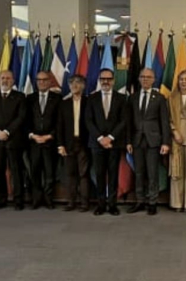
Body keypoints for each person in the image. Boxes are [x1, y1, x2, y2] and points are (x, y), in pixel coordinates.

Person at [127, 68, 171, 215]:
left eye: (148, 77)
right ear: (139, 79)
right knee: (138, 173)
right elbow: (129, 121)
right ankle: (140, 201)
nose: (145, 79)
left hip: (153, 141)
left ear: (153, 79)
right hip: (137, 141)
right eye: (143, 77)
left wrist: (166, 142)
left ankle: (152, 202)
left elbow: (164, 122)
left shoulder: (159, 98)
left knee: (152, 173)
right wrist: (128, 141)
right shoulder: (133, 97)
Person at [86, 68, 127, 216]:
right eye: (103, 79)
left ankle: (112, 205)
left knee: (113, 174)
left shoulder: (121, 98)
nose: (106, 81)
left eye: (109, 79)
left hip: (114, 143)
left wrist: (110, 137)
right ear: (99, 80)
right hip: (96, 144)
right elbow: (88, 121)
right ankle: (101, 204)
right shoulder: (91, 98)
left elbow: (123, 121)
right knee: (99, 174)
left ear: (113, 81)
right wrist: (100, 139)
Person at [0, 70, 27, 209]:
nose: (5, 80)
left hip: (14, 139)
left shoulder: (20, 97)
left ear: (13, 81)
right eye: (2, 78)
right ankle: (0, 199)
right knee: (0, 169)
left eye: (8, 78)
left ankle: (18, 199)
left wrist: (7, 132)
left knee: (16, 170)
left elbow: (21, 117)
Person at [26, 71, 62, 209]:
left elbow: (60, 122)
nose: (41, 82)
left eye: (44, 80)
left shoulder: (57, 99)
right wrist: (32, 135)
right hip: (33, 142)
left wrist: (49, 136)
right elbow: (25, 120)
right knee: (34, 171)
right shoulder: (29, 98)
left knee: (50, 172)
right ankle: (36, 198)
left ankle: (48, 198)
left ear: (49, 82)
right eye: (39, 80)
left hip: (50, 142)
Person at [58, 75, 91, 211]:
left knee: (83, 174)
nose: (74, 86)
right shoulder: (64, 104)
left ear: (83, 86)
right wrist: (60, 145)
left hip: (84, 142)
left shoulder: (89, 102)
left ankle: (84, 203)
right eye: (71, 83)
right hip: (68, 143)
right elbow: (59, 126)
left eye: (77, 83)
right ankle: (71, 202)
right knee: (70, 174)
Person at [168, 70, 186, 212]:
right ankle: (177, 203)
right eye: (181, 79)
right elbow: (167, 117)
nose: (184, 82)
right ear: (178, 81)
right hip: (177, 138)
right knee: (177, 171)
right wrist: (174, 132)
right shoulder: (171, 98)